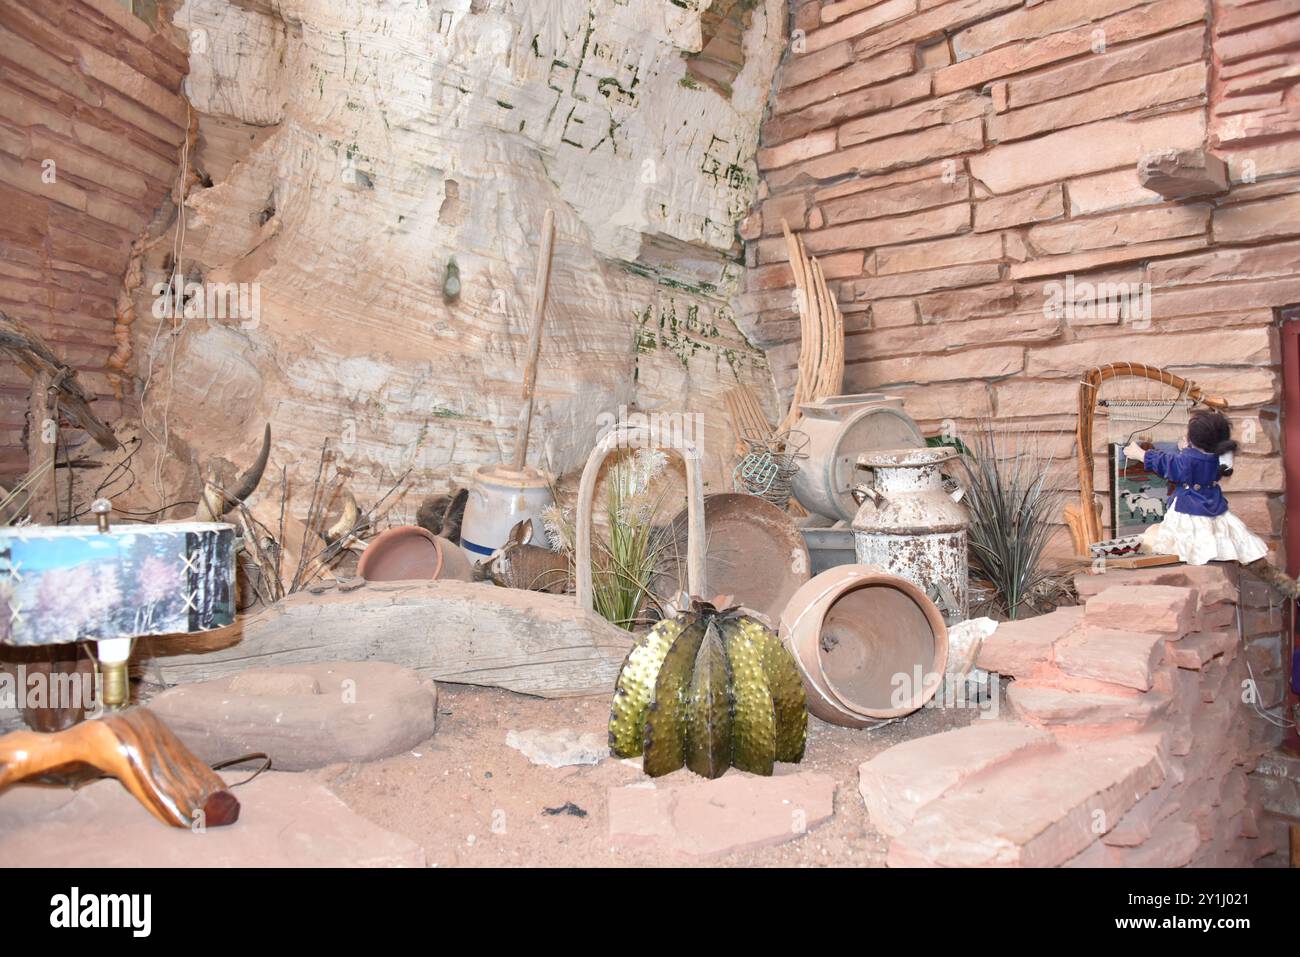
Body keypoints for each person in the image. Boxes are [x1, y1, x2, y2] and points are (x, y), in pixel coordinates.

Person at [1122, 410, 1267, 566]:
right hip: (1213, 505)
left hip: (1189, 508)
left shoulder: (1187, 460)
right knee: (1212, 532)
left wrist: (1140, 454)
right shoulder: (1217, 458)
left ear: (1194, 441)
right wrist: (1187, 449)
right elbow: (1199, 460)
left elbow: (1167, 463)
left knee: (1171, 536)